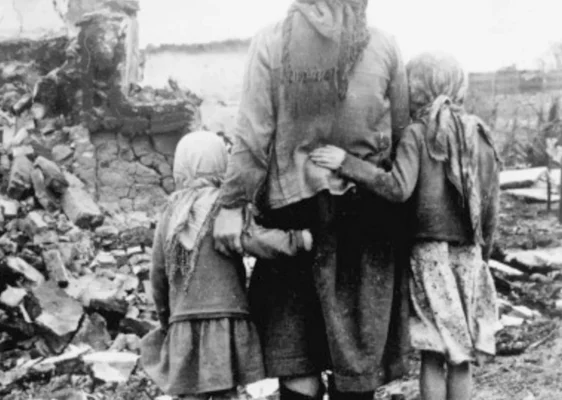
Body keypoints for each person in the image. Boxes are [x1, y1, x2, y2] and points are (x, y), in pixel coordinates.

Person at [212, 0, 411, 399]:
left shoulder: (271, 41)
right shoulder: (385, 45)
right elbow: (401, 133)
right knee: (355, 358)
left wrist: (232, 205)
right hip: (367, 218)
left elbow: (253, 133)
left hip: (294, 215)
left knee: (297, 354)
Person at [310, 52, 500, 400]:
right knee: (461, 355)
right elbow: (491, 206)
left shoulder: (419, 132)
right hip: (470, 256)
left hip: (429, 256)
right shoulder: (479, 134)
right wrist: (482, 256)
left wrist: (347, 163)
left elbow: (398, 188)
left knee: (433, 352)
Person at [140, 130, 314, 400]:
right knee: (226, 392)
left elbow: (158, 275)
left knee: (189, 393)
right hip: (226, 320)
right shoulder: (228, 208)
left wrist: (167, 321)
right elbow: (256, 239)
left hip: (184, 322)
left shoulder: (170, 214)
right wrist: (297, 240)